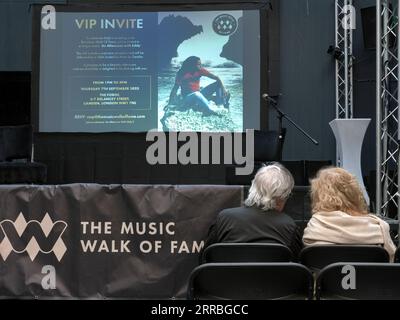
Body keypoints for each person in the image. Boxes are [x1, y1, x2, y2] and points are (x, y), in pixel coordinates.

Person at [204, 163, 303, 258]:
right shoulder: (289, 227)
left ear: (253, 187)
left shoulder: (224, 218)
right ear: (283, 196)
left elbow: (206, 258)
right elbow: (297, 268)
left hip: (230, 275)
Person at [303, 167, 396, 261]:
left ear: (318, 196)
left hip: (328, 276)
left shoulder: (314, 228)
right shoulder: (379, 229)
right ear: (355, 193)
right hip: (369, 276)